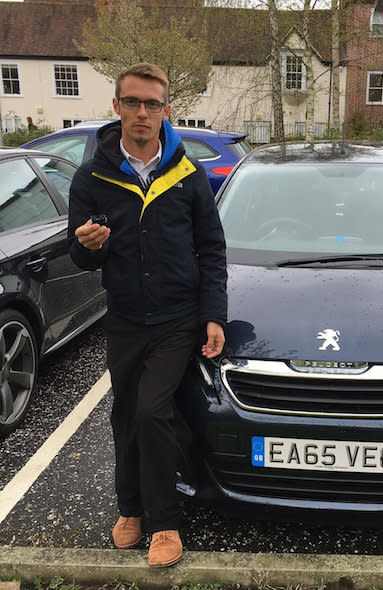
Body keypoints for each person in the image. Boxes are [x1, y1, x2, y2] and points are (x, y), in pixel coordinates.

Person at [67, 63, 227, 568]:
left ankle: (164, 522)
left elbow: (212, 249)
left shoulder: (187, 173)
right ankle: (129, 509)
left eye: (152, 104)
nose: (142, 112)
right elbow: (82, 256)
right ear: (116, 106)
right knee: (124, 415)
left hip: (177, 319)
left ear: (166, 110)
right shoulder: (92, 176)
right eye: (132, 102)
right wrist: (88, 246)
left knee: (152, 410)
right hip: (125, 317)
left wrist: (213, 315)